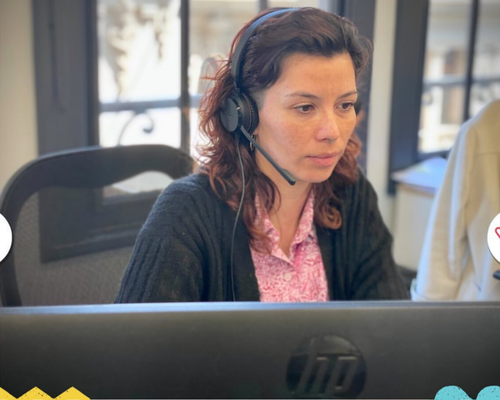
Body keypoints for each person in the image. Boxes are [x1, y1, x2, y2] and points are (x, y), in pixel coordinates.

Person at [115, 7, 409, 303]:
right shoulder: (187, 212)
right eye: (305, 107)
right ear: (244, 116)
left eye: (344, 105)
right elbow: (137, 333)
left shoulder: (350, 193)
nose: (332, 132)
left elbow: (391, 322)